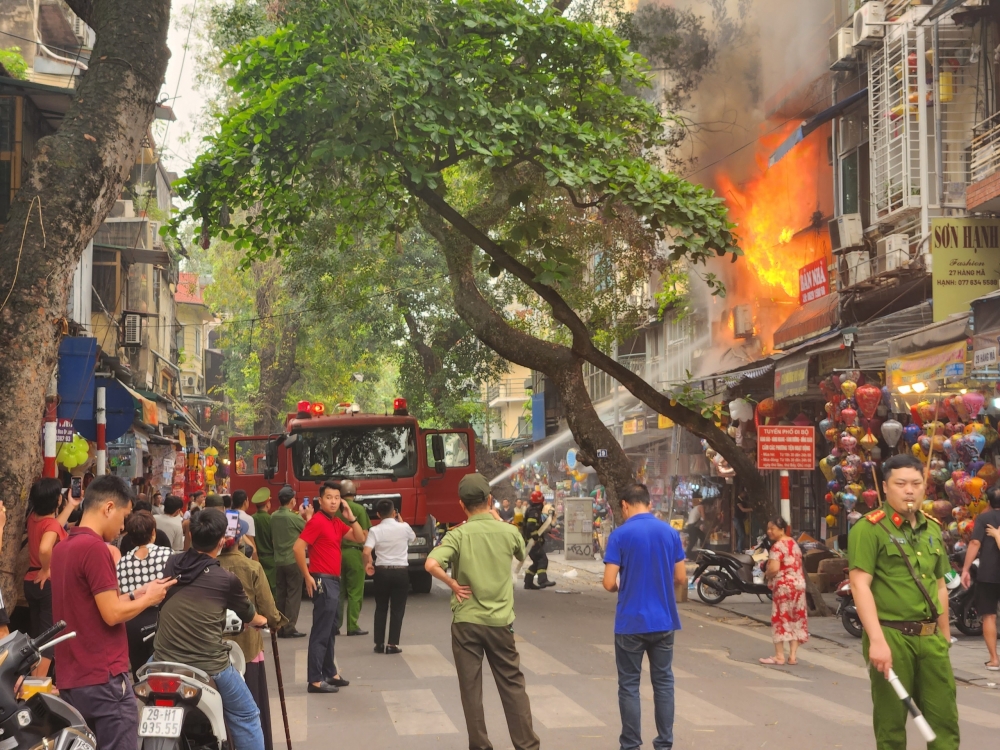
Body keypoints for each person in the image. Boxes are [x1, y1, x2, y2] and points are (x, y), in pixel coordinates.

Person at [51, 475, 175, 750]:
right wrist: (150, 598)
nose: (123, 527)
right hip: (103, 676)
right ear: (108, 507)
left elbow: (91, 604)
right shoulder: (96, 548)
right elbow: (112, 614)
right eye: (123, 516)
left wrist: (135, 593)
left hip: (73, 678)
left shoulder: (63, 548)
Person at [849, 453, 957, 750]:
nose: (909, 490)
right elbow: (860, 585)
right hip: (892, 636)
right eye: (901, 483)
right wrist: (876, 641)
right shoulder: (868, 529)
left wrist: (945, 635)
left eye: (916, 483)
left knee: (944, 723)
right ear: (886, 487)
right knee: (892, 725)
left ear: (925, 487)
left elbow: (940, 585)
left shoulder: (933, 529)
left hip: (931, 637)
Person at [425, 473, 539, 750]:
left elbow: (430, 564)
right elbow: (523, 553)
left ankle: (480, 745)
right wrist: (499, 521)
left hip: (466, 622)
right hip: (500, 622)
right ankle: (526, 745)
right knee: (512, 685)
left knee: (470, 687)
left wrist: (453, 584)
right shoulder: (509, 532)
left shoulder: (458, 534)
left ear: (461, 505)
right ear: (490, 501)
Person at [154, 509, 268, 750]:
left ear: (191, 534)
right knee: (246, 715)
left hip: (162, 661)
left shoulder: (172, 563)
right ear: (221, 541)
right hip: (210, 666)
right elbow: (250, 615)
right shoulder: (226, 579)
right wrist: (261, 620)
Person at [601, 483, 686, 750]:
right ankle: (664, 743)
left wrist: (621, 587)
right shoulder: (671, 533)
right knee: (663, 682)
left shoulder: (620, 535)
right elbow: (681, 578)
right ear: (649, 503)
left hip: (630, 623)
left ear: (625, 505)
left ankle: (631, 745)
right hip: (664, 621)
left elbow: (608, 582)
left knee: (629, 685)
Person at [219, 519, 288, 750]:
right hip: (246, 648)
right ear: (239, 539)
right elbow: (268, 610)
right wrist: (276, 622)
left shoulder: (208, 567)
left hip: (214, 649)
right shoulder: (252, 567)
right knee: (251, 706)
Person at [293, 481, 366, 693]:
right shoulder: (317, 521)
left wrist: (351, 517)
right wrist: (306, 576)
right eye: (329, 498)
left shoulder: (335, 522)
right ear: (320, 500)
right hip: (322, 579)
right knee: (321, 631)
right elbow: (298, 548)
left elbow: (360, 538)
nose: (333, 501)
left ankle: (330, 673)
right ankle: (315, 679)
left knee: (330, 629)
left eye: (336, 498)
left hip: (334, 580)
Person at [24, 478, 77, 675]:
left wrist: (71, 505)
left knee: (37, 636)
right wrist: (47, 568)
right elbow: (46, 548)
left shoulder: (34, 518)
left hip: (31, 581)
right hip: (46, 583)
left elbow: (54, 525)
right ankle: (38, 684)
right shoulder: (51, 525)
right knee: (48, 637)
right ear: (56, 500)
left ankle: (32, 681)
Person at [116, 510, 174, 677]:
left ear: (131, 537)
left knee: (139, 672)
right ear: (153, 533)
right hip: (161, 619)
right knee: (164, 671)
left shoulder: (122, 561)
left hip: (133, 620)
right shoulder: (168, 555)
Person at [364, 498, 415, 654]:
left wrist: (369, 564)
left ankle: (379, 644)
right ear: (394, 513)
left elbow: (366, 551)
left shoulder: (375, 530)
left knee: (381, 608)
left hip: (382, 571)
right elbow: (412, 538)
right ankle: (392, 645)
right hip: (400, 572)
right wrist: (401, 521)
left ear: (378, 514)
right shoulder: (404, 527)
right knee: (397, 609)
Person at [759, 516, 808, 666]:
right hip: (799, 586)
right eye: (768, 528)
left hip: (784, 587)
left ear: (781, 529)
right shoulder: (794, 543)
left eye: (772, 528)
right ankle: (792, 656)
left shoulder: (778, 546)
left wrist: (766, 573)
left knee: (780, 618)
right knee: (796, 618)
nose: (769, 531)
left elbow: (774, 568)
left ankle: (779, 656)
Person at [962, 486, 1000, 671]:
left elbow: (975, 542)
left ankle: (994, 659)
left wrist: (966, 569)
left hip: (989, 574)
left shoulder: (984, 518)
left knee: (989, 616)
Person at [272, 485, 308, 638]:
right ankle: (290, 627)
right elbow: (308, 530)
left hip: (278, 560)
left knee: (281, 594)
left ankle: (280, 626)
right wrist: (305, 515)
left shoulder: (273, 515)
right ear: (292, 500)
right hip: (293, 560)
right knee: (293, 594)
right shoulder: (294, 517)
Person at [336, 479, 371, 636]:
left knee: (338, 591)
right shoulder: (359, 509)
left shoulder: (334, 510)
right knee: (355, 591)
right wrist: (368, 558)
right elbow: (364, 535)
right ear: (354, 494)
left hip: (335, 553)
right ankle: (352, 625)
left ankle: (335, 626)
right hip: (354, 552)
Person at [522, 490, 555, 590]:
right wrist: (535, 538)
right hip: (532, 542)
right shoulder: (534, 511)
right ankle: (542, 580)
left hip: (529, 541)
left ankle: (528, 582)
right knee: (542, 559)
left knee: (537, 562)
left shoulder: (533, 510)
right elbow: (530, 526)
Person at [251, 487, 277, 596]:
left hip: (256, 558)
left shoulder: (252, 518)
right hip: (271, 559)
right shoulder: (270, 519)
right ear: (267, 504)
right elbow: (274, 541)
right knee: (272, 592)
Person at [232, 489, 258, 559]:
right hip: (245, 556)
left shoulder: (229, 516)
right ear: (245, 502)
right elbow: (251, 541)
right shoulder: (248, 519)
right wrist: (256, 560)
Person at [684, 492, 705, 560]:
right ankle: (688, 554)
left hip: (691, 526)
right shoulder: (700, 507)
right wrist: (702, 525)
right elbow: (703, 518)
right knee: (695, 540)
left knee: (695, 539)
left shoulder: (694, 508)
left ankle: (693, 554)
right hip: (693, 526)